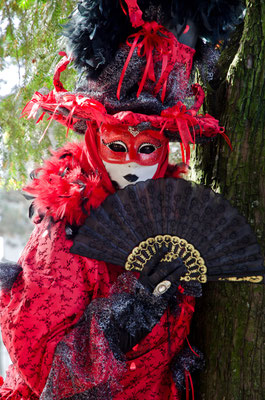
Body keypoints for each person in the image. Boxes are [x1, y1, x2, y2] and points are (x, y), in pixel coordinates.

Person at [0, 1, 244, 399]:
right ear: (95, 142)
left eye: (146, 147)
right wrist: (129, 314)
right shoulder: (66, 225)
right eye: (117, 145)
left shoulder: (172, 218)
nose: (132, 166)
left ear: (164, 149)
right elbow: (43, 370)